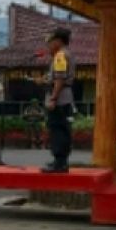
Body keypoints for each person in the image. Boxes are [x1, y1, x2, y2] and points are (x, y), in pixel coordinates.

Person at [42, 27, 74, 174]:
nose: (49, 45)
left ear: (58, 41)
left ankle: (59, 163)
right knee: (62, 129)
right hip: (65, 96)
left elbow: (60, 79)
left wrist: (53, 98)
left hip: (60, 98)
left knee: (57, 129)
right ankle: (61, 162)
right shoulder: (67, 54)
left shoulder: (60, 56)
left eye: (51, 42)